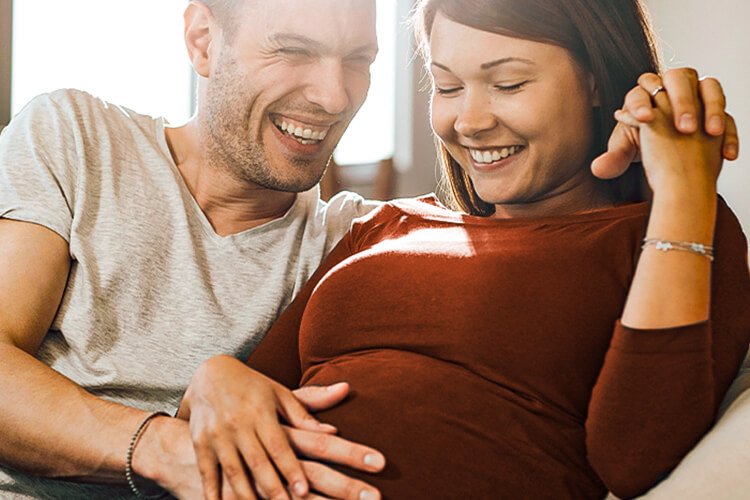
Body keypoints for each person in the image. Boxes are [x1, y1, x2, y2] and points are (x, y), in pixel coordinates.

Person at [0, 0, 740, 499]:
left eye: (508, 82)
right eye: (446, 85)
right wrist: (208, 386)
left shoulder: (667, 237)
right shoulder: (378, 231)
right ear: (200, 40)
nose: (332, 95)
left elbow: (639, 456)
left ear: (595, 80)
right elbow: (250, 399)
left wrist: (680, 187)